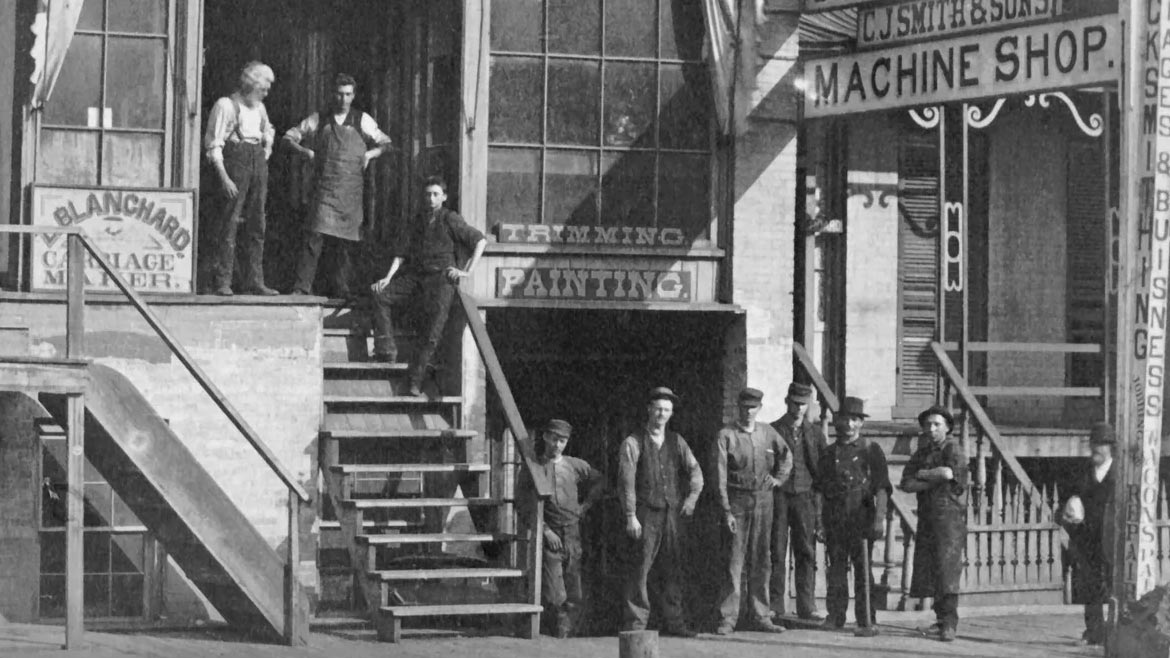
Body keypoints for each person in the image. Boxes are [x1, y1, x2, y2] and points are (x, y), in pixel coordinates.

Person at [368, 177, 486, 397]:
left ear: (444, 196)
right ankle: (386, 350)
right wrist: (387, 278)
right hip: (417, 278)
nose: (431, 199)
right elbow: (401, 253)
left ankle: (415, 381)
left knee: (432, 333)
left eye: (435, 194)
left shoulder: (451, 219)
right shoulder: (418, 221)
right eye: (427, 194)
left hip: (442, 282)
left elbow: (480, 241)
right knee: (380, 295)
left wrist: (466, 271)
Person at [284, 73, 392, 298]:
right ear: (333, 94)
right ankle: (301, 288)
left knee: (345, 244)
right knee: (314, 239)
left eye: (348, 95)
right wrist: (306, 152)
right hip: (324, 190)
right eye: (339, 94)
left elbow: (386, 142)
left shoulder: (362, 120)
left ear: (353, 96)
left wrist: (370, 154)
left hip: (350, 192)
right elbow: (289, 137)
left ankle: (342, 290)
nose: (343, 99)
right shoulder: (319, 119)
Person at [617, 387, 704, 637]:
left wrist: (692, 498)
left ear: (671, 413)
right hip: (645, 514)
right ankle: (636, 625)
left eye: (666, 410)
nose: (662, 414)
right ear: (649, 410)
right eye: (658, 409)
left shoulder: (677, 441)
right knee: (640, 568)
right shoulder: (632, 442)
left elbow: (696, 472)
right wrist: (630, 515)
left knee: (673, 567)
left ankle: (674, 623)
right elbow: (626, 483)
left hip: (672, 515)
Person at [713, 388, 792, 635]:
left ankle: (761, 615)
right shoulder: (726, 435)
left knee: (761, 560)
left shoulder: (767, 433)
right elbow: (719, 476)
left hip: (763, 501)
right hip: (737, 501)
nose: (748, 412)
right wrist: (726, 509)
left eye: (753, 407)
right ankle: (728, 618)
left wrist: (778, 479)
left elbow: (786, 456)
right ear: (738, 408)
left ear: (759, 408)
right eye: (745, 407)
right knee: (733, 561)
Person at [517, 419, 605, 638]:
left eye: (562, 441)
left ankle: (566, 633)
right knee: (554, 589)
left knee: (574, 584)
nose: (557, 445)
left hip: (572, 532)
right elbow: (523, 504)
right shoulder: (533, 468)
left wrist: (585, 506)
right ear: (545, 437)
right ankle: (556, 627)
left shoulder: (575, 465)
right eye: (554, 439)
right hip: (549, 534)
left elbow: (600, 480)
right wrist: (545, 530)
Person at [814, 396, 889, 637]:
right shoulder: (828, 453)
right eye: (845, 419)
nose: (849, 424)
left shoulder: (871, 450)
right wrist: (819, 522)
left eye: (855, 420)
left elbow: (882, 489)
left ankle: (866, 619)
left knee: (863, 571)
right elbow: (819, 491)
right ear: (836, 422)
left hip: (862, 519)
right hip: (835, 519)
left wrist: (879, 520)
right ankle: (835, 616)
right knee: (835, 569)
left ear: (861, 424)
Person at [202, 61, 278, 296]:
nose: (267, 92)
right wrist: (224, 177)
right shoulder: (226, 105)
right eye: (264, 87)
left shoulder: (260, 108)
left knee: (257, 224)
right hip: (234, 165)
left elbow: (269, 131)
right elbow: (213, 145)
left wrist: (266, 152)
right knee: (229, 223)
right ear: (253, 84)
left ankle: (255, 281)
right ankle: (222, 281)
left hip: (257, 164)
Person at [899, 405, 968, 643]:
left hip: (949, 519)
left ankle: (949, 623)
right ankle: (940, 620)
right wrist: (930, 479)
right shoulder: (922, 452)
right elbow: (906, 483)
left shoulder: (953, 448)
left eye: (937, 424)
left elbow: (950, 474)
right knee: (931, 570)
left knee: (947, 570)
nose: (931, 428)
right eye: (928, 424)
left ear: (947, 427)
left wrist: (923, 475)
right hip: (927, 518)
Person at [769, 382, 827, 621]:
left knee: (806, 550)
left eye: (803, 404)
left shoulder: (814, 433)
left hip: (806, 496)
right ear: (787, 401)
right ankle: (775, 605)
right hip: (779, 497)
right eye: (795, 403)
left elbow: (822, 471)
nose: (799, 408)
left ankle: (807, 605)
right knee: (777, 550)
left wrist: (819, 504)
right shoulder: (772, 430)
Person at [1061, 422, 1116, 647]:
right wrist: (1070, 506)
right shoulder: (1083, 471)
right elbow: (1069, 498)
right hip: (1087, 537)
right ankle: (1093, 630)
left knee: (1113, 583)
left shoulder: (1119, 473)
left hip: (1112, 536)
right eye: (1094, 443)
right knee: (1089, 584)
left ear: (1111, 447)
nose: (1096, 449)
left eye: (1101, 444)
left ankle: (1114, 630)